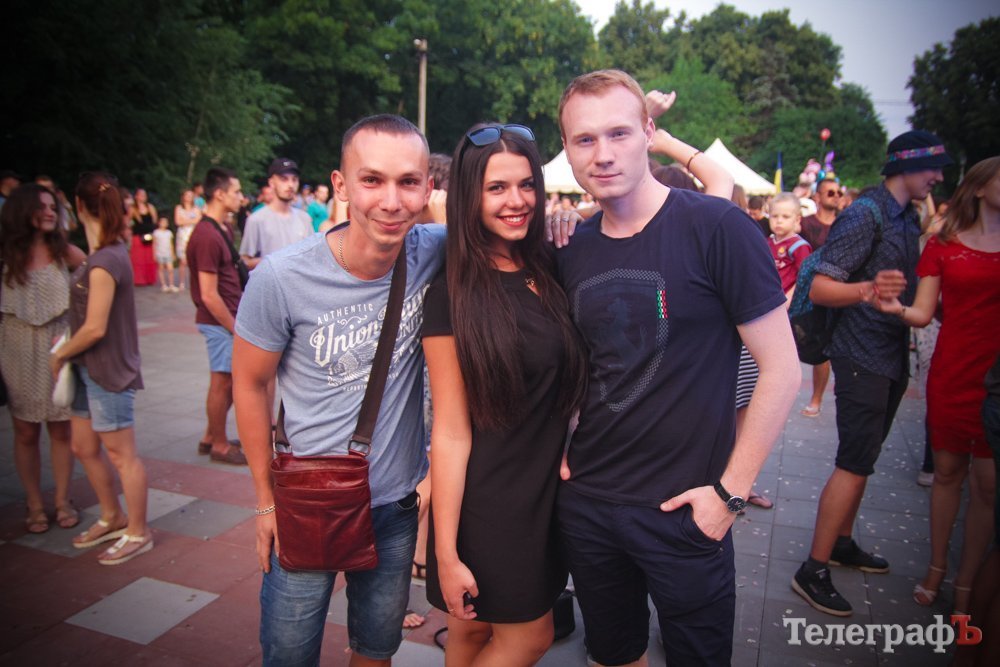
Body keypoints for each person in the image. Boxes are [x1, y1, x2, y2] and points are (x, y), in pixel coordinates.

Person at [553, 69, 800, 665]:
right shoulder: (570, 248)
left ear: (648, 132)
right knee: (612, 654)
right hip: (589, 502)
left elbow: (782, 369)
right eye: (585, 139)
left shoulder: (717, 227)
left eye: (618, 133)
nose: (603, 153)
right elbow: (579, 366)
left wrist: (730, 494)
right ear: (567, 150)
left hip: (686, 510)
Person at [232, 114, 446, 666]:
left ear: (427, 188)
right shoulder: (281, 278)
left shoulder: (433, 250)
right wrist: (264, 501)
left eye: (408, 182)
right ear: (341, 184)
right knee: (289, 654)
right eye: (372, 180)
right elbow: (250, 385)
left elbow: (507, 223)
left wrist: (566, 220)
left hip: (394, 505)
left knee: (376, 649)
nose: (391, 201)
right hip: (307, 503)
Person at [421, 122, 587, 665]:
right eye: (497, 188)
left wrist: (571, 217)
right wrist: (445, 552)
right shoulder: (452, 293)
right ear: (470, 196)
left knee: (470, 634)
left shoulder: (547, 263)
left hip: (542, 492)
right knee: (529, 637)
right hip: (489, 505)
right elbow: (450, 430)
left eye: (526, 184)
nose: (516, 201)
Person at [791, 130, 953, 617]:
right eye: (932, 166)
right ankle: (812, 569)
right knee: (854, 460)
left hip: (889, 352)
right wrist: (867, 290)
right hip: (860, 354)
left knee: (865, 458)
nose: (939, 176)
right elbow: (820, 287)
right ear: (905, 165)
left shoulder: (906, 215)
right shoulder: (865, 213)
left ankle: (842, 543)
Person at [870, 156, 1000, 615]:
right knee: (947, 474)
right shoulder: (945, 245)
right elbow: (923, 313)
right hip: (954, 370)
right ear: (980, 187)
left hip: (996, 376)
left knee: (987, 485)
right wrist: (893, 308)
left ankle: (967, 581)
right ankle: (936, 567)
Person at [50, 172, 151, 565]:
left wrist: (59, 354)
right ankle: (112, 516)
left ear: (79, 206)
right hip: (86, 369)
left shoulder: (106, 260)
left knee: (122, 454)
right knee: (84, 447)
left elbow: (95, 327)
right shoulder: (97, 256)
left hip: (107, 371)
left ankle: (138, 531)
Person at [1, 183, 86, 533]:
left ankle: (62, 499)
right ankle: (34, 504)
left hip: (58, 347)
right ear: (23, 211)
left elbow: (95, 287)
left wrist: (79, 332)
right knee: (25, 430)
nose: (51, 212)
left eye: (54, 206)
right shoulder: (6, 256)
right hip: (16, 346)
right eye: (43, 206)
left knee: (61, 427)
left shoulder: (65, 252)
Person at [186, 168, 246, 465]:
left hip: (227, 318)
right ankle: (219, 445)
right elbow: (209, 294)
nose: (241, 197)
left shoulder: (219, 229)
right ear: (219, 194)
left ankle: (211, 436)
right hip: (220, 321)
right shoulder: (207, 235)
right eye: (236, 191)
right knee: (222, 383)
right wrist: (235, 328)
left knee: (229, 383)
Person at [798, 177, 841, 418]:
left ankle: (816, 398)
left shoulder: (844, 224)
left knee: (822, 349)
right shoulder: (806, 223)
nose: (835, 196)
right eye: (830, 192)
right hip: (802, 292)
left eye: (838, 193)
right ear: (818, 197)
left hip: (830, 291)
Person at [239, 158, 313, 270]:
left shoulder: (304, 218)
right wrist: (272, 261)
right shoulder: (257, 219)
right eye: (284, 179)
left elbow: (312, 256)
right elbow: (245, 261)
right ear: (272, 183)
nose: (290, 185)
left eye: (294, 179)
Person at [768, 192, 811, 302]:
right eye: (774, 216)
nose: (779, 221)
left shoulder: (799, 246)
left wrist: (789, 299)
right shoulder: (767, 242)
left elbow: (804, 277)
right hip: (767, 297)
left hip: (787, 301)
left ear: (797, 220)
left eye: (785, 217)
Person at [128, 188, 158, 286]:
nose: (143, 197)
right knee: (138, 258)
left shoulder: (150, 207)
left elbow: (154, 221)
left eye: (144, 195)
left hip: (149, 234)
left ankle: (149, 279)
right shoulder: (132, 209)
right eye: (141, 195)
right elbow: (128, 222)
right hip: (137, 235)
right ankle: (139, 279)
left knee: (149, 258)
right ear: (136, 196)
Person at [174, 189, 200, 291]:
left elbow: (198, 220)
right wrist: (191, 221)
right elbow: (178, 221)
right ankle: (182, 282)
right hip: (182, 236)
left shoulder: (196, 208)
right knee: (183, 260)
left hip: (193, 234)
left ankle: (195, 283)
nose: (189, 197)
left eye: (191, 195)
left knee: (195, 259)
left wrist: (185, 220)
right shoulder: (179, 208)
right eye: (187, 195)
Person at [152, 216, 177, 292]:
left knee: (170, 269)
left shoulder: (169, 233)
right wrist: (154, 254)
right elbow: (154, 244)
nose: (164, 223)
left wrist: (173, 253)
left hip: (168, 253)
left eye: (165, 222)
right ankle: (163, 285)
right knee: (161, 268)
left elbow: (171, 244)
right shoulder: (156, 232)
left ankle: (171, 285)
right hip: (160, 253)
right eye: (162, 222)